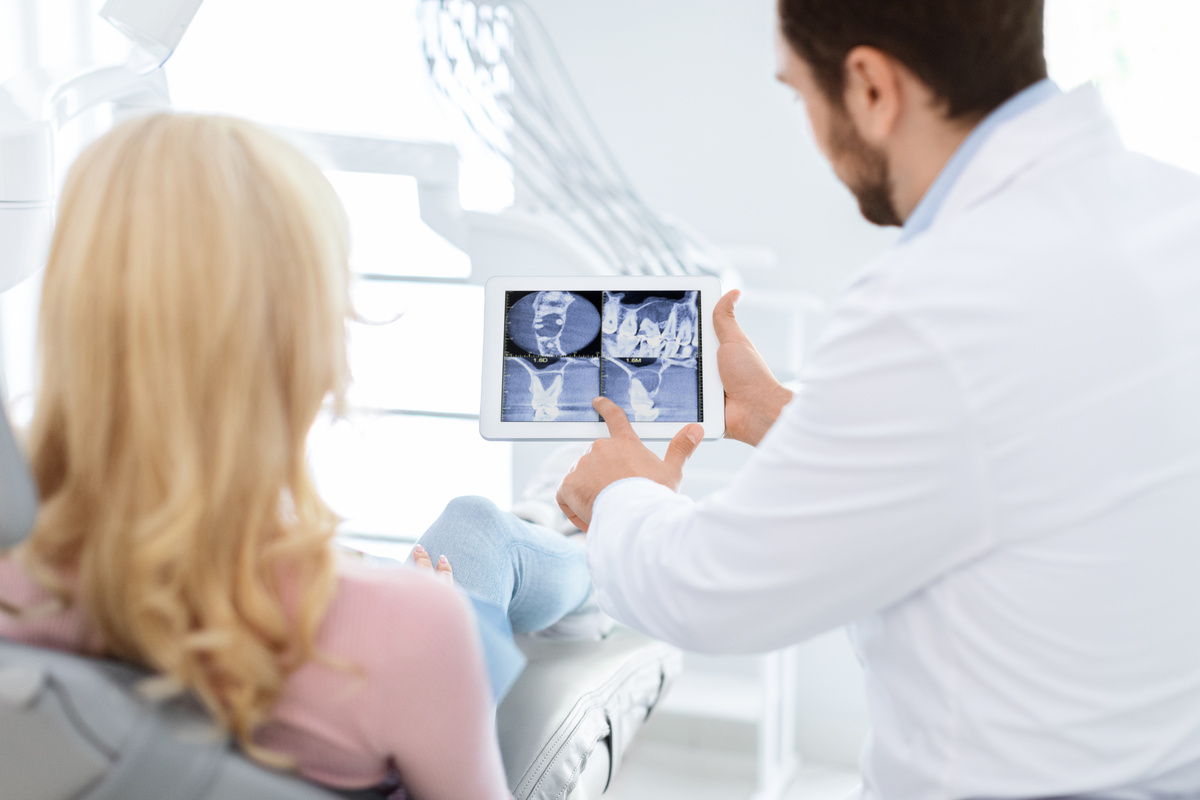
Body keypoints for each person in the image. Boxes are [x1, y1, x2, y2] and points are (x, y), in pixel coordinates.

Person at [556, 1, 1200, 797]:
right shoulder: (1178, 210)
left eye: (799, 95)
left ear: (868, 86)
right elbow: (1038, 461)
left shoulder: (934, 304)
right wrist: (778, 419)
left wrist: (622, 488)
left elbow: (710, 592)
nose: (811, 132)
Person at [0, 112, 594, 800]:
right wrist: (429, 618)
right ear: (307, 353)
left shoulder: (17, 589)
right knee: (480, 533)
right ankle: (591, 544)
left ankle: (566, 528)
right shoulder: (408, 633)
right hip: (396, 645)